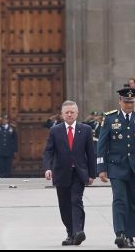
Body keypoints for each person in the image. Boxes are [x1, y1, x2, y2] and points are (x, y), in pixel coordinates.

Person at [97, 88, 135, 249]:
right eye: (126, 101)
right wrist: (101, 168)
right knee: (119, 199)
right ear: (120, 101)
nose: (129, 104)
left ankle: (130, 236)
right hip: (116, 166)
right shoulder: (110, 119)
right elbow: (102, 145)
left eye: (131, 102)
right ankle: (120, 233)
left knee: (132, 201)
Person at [43, 101, 96, 247]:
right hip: (61, 172)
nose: (69, 114)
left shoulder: (85, 130)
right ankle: (70, 233)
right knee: (64, 204)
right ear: (62, 114)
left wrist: (92, 174)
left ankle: (79, 231)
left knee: (75, 200)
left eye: (72, 112)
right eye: (67, 112)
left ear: (77, 113)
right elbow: (49, 151)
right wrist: (48, 168)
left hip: (79, 172)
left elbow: (91, 153)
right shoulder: (55, 130)